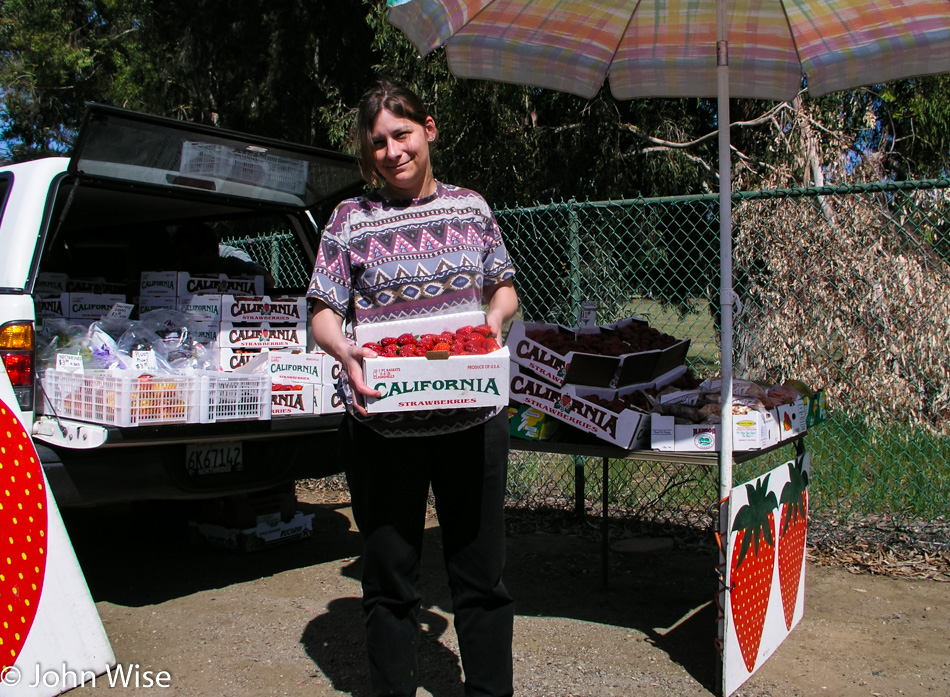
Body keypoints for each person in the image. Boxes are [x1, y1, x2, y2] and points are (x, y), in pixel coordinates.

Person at [307, 80, 519, 697]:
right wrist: (342, 346)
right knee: (390, 583)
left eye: (402, 134)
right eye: (378, 143)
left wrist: (491, 322)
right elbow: (322, 307)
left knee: (480, 580)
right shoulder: (350, 220)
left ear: (428, 128)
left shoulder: (471, 208)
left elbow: (501, 285)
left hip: (470, 420)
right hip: (383, 425)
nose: (392, 151)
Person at [171, 222, 276, 291]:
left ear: (207, 253)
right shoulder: (179, 270)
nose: (184, 262)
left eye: (187, 256)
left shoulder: (230, 264)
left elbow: (268, 281)